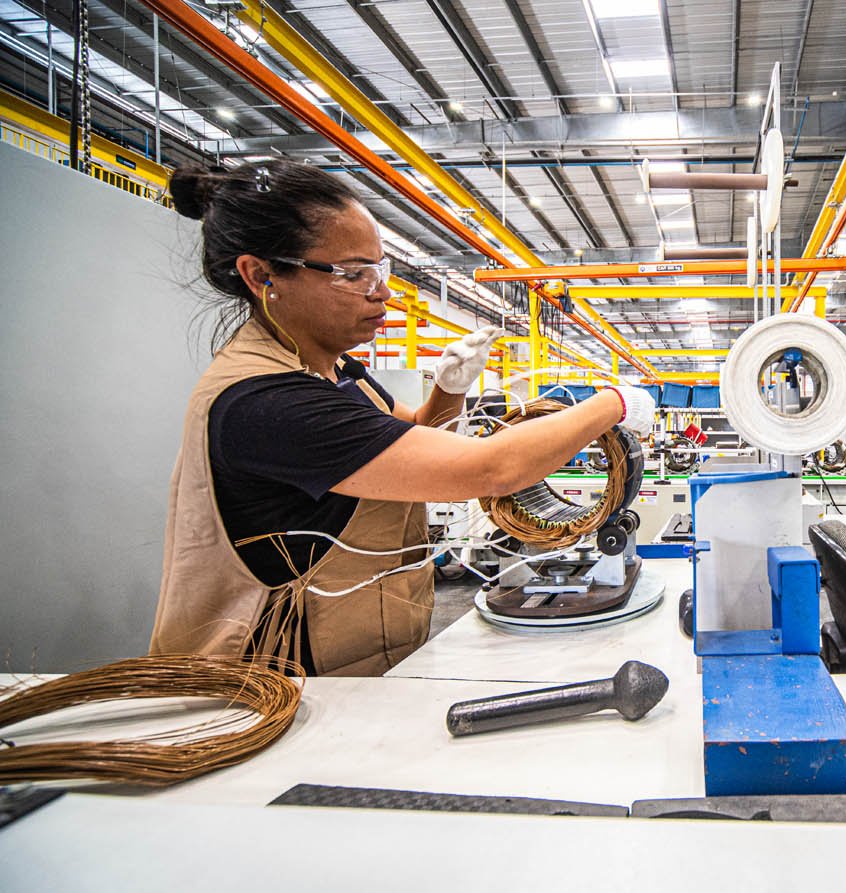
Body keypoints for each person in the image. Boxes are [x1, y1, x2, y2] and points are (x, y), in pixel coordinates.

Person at [149, 159, 655, 677]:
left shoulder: (336, 371)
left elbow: (413, 438)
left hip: (352, 665)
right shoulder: (268, 402)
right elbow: (491, 469)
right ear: (261, 275)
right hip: (273, 683)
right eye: (354, 274)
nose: (382, 292)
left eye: (380, 270)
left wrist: (448, 390)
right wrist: (612, 403)